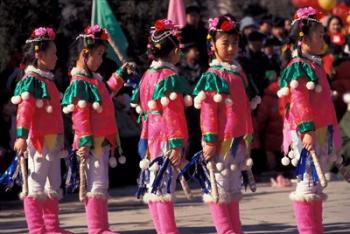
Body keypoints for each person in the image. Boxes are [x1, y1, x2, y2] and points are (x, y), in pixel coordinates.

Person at [61, 25, 131, 233]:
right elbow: (80, 115)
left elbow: (107, 91)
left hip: (100, 140)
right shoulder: (80, 81)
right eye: (98, 55)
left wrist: (121, 73)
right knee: (95, 184)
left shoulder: (94, 80)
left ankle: (101, 227)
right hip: (90, 142)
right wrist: (84, 141)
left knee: (100, 182)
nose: (101, 60)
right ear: (85, 54)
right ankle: (97, 228)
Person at [277, 7, 341, 233]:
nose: (322, 38)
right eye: (319, 33)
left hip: (319, 130)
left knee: (315, 186)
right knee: (307, 185)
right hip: (307, 133)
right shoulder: (299, 67)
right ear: (303, 38)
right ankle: (308, 229)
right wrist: (306, 130)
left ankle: (315, 229)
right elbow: (299, 101)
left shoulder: (314, 63)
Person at [192, 16, 254, 234]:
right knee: (219, 188)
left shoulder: (237, 72)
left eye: (234, 43)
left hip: (238, 139)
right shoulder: (212, 76)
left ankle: (235, 229)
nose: (230, 48)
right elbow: (208, 111)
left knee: (233, 187)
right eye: (225, 43)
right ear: (212, 45)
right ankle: (225, 230)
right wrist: (209, 139)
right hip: (220, 141)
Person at [130, 19, 192, 234]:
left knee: (155, 186)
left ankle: (162, 230)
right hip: (166, 136)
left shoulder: (147, 75)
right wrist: (177, 143)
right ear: (175, 51)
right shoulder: (168, 76)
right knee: (164, 186)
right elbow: (173, 113)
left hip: (149, 136)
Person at [11, 27, 71, 234]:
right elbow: (24, 111)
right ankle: (37, 229)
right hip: (37, 140)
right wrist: (21, 136)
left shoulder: (47, 80)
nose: (56, 57)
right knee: (35, 185)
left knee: (52, 183)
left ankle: (52, 228)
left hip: (52, 141)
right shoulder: (32, 81)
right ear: (39, 54)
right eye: (53, 53)